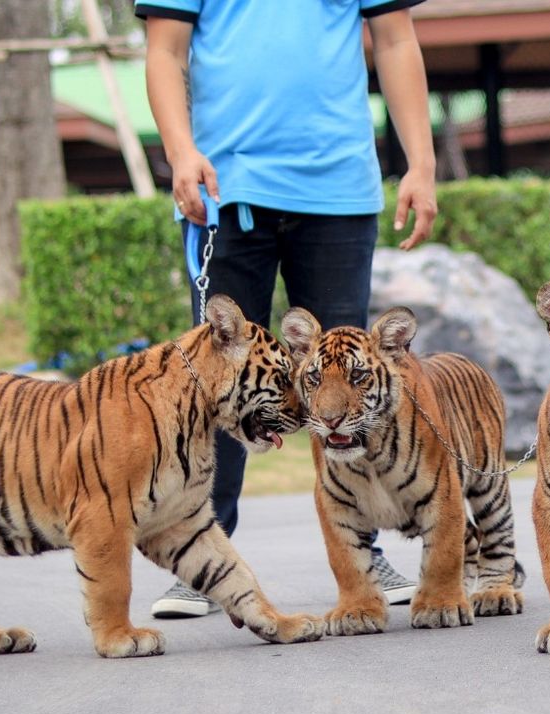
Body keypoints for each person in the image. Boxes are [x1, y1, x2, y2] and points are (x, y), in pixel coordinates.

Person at [137, 0, 438, 617]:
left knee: (345, 383)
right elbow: (165, 49)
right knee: (212, 383)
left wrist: (422, 163)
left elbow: (395, 40)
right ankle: (201, 557)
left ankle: (363, 552)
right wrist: (179, 151)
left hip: (338, 193)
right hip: (226, 191)